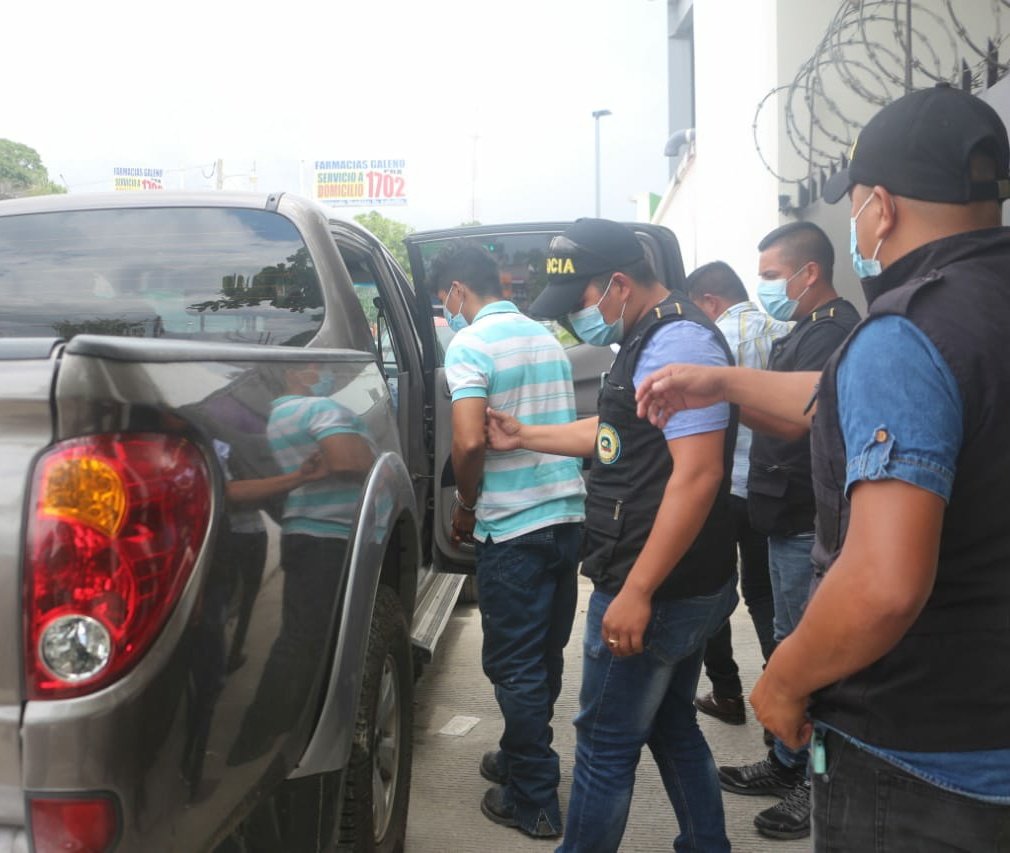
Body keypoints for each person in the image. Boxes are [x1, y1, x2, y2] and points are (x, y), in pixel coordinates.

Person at [635, 83, 1010, 850]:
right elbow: (891, 405)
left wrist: (786, 678)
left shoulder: (908, 328)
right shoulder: (974, 310)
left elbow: (882, 583)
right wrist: (725, 382)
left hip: (924, 764)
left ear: (883, 206)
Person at [487, 218, 739, 853]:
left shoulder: (679, 340)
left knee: (603, 746)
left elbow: (699, 474)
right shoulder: (647, 334)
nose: (576, 319)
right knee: (671, 722)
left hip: (657, 585)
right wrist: (527, 436)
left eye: (579, 302)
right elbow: (614, 431)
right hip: (674, 581)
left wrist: (637, 591)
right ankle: (707, 845)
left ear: (618, 285)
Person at [699, 221, 859, 839]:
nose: (764, 287)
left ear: (808, 273)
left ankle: (810, 784)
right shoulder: (802, 331)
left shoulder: (833, 333)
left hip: (800, 517)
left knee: (804, 650)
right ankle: (786, 759)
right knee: (785, 636)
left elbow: (797, 420)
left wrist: (719, 390)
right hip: (780, 513)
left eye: (769, 276)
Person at [430, 243, 586, 839]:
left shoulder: (470, 345)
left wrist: (465, 507)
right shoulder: (547, 339)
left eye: (445, 303)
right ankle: (522, 752)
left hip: (513, 526)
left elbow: (469, 443)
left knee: (513, 666)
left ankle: (534, 797)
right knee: (542, 654)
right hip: (564, 519)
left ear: (456, 293)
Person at [685, 261, 791, 726]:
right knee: (768, 596)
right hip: (774, 486)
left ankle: (726, 692)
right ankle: (780, 701)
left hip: (721, 484)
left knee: (711, 589)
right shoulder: (788, 329)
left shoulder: (708, 339)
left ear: (709, 301)